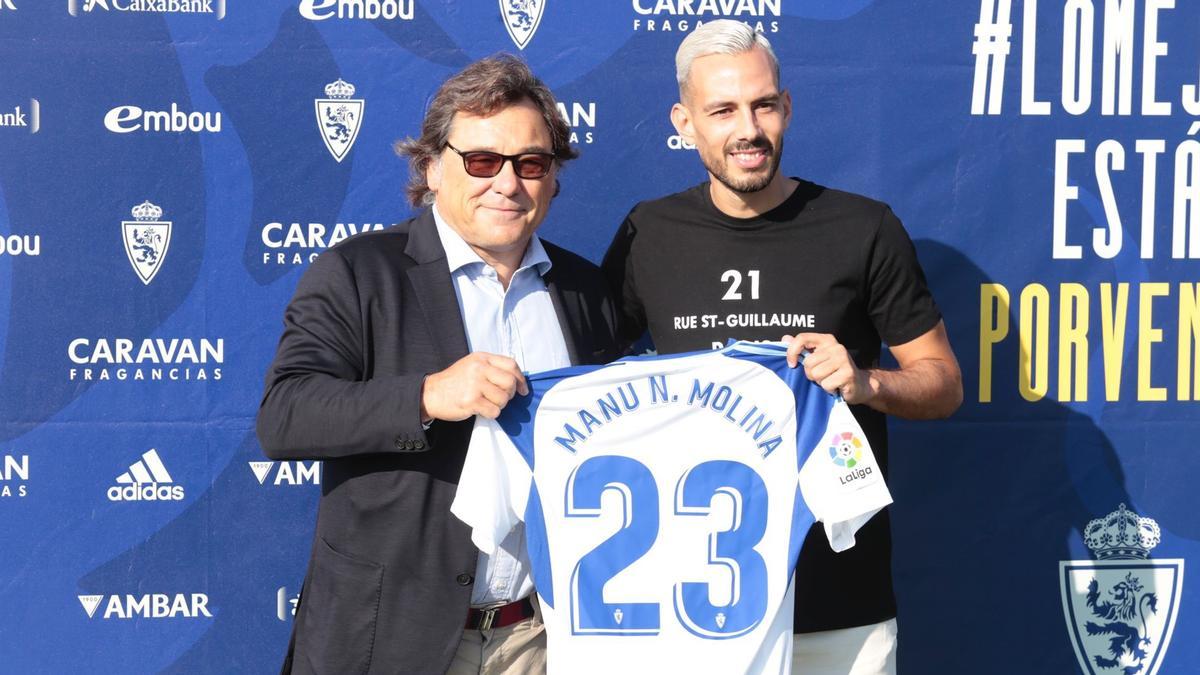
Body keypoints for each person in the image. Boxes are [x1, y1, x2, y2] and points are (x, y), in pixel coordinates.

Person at [601, 20, 962, 675]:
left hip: (839, 606)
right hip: (692, 608)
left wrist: (866, 382)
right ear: (684, 121)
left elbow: (942, 383)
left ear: (787, 107)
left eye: (763, 104)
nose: (748, 128)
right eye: (723, 110)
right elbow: (586, 383)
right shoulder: (647, 233)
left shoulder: (863, 228)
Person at [257, 55, 620, 675]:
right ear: (430, 166)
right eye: (482, 161)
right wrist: (427, 397)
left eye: (531, 163)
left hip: (545, 640)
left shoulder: (587, 292)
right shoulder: (357, 272)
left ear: (553, 177)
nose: (507, 183)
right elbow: (286, 417)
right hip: (395, 639)